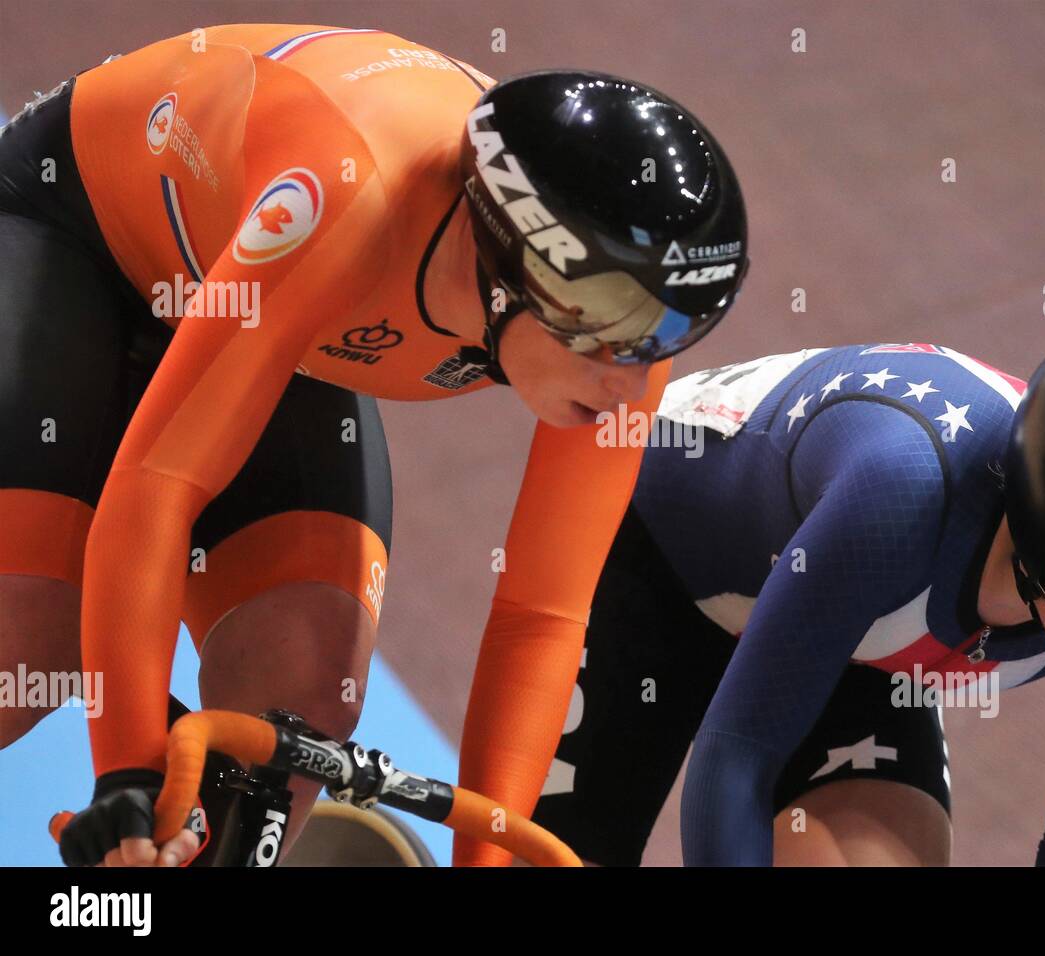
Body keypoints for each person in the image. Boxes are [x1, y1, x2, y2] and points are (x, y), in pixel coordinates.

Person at [0, 24, 747, 866]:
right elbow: (158, 484)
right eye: (612, 335)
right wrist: (129, 775)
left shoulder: (629, 325)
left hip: (270, 310)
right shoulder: (345, 198)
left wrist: (487, 858)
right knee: (24, 649)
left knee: (304, 693)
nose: (632, 382)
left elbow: (544, 615)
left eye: (667, 335)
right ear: (513, 267)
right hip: (75, 235)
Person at [525, 336, 1045, 866]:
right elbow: (736, 757)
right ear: (1030, 537)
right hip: (669, 556)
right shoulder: (902, 497)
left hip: (848, 633)